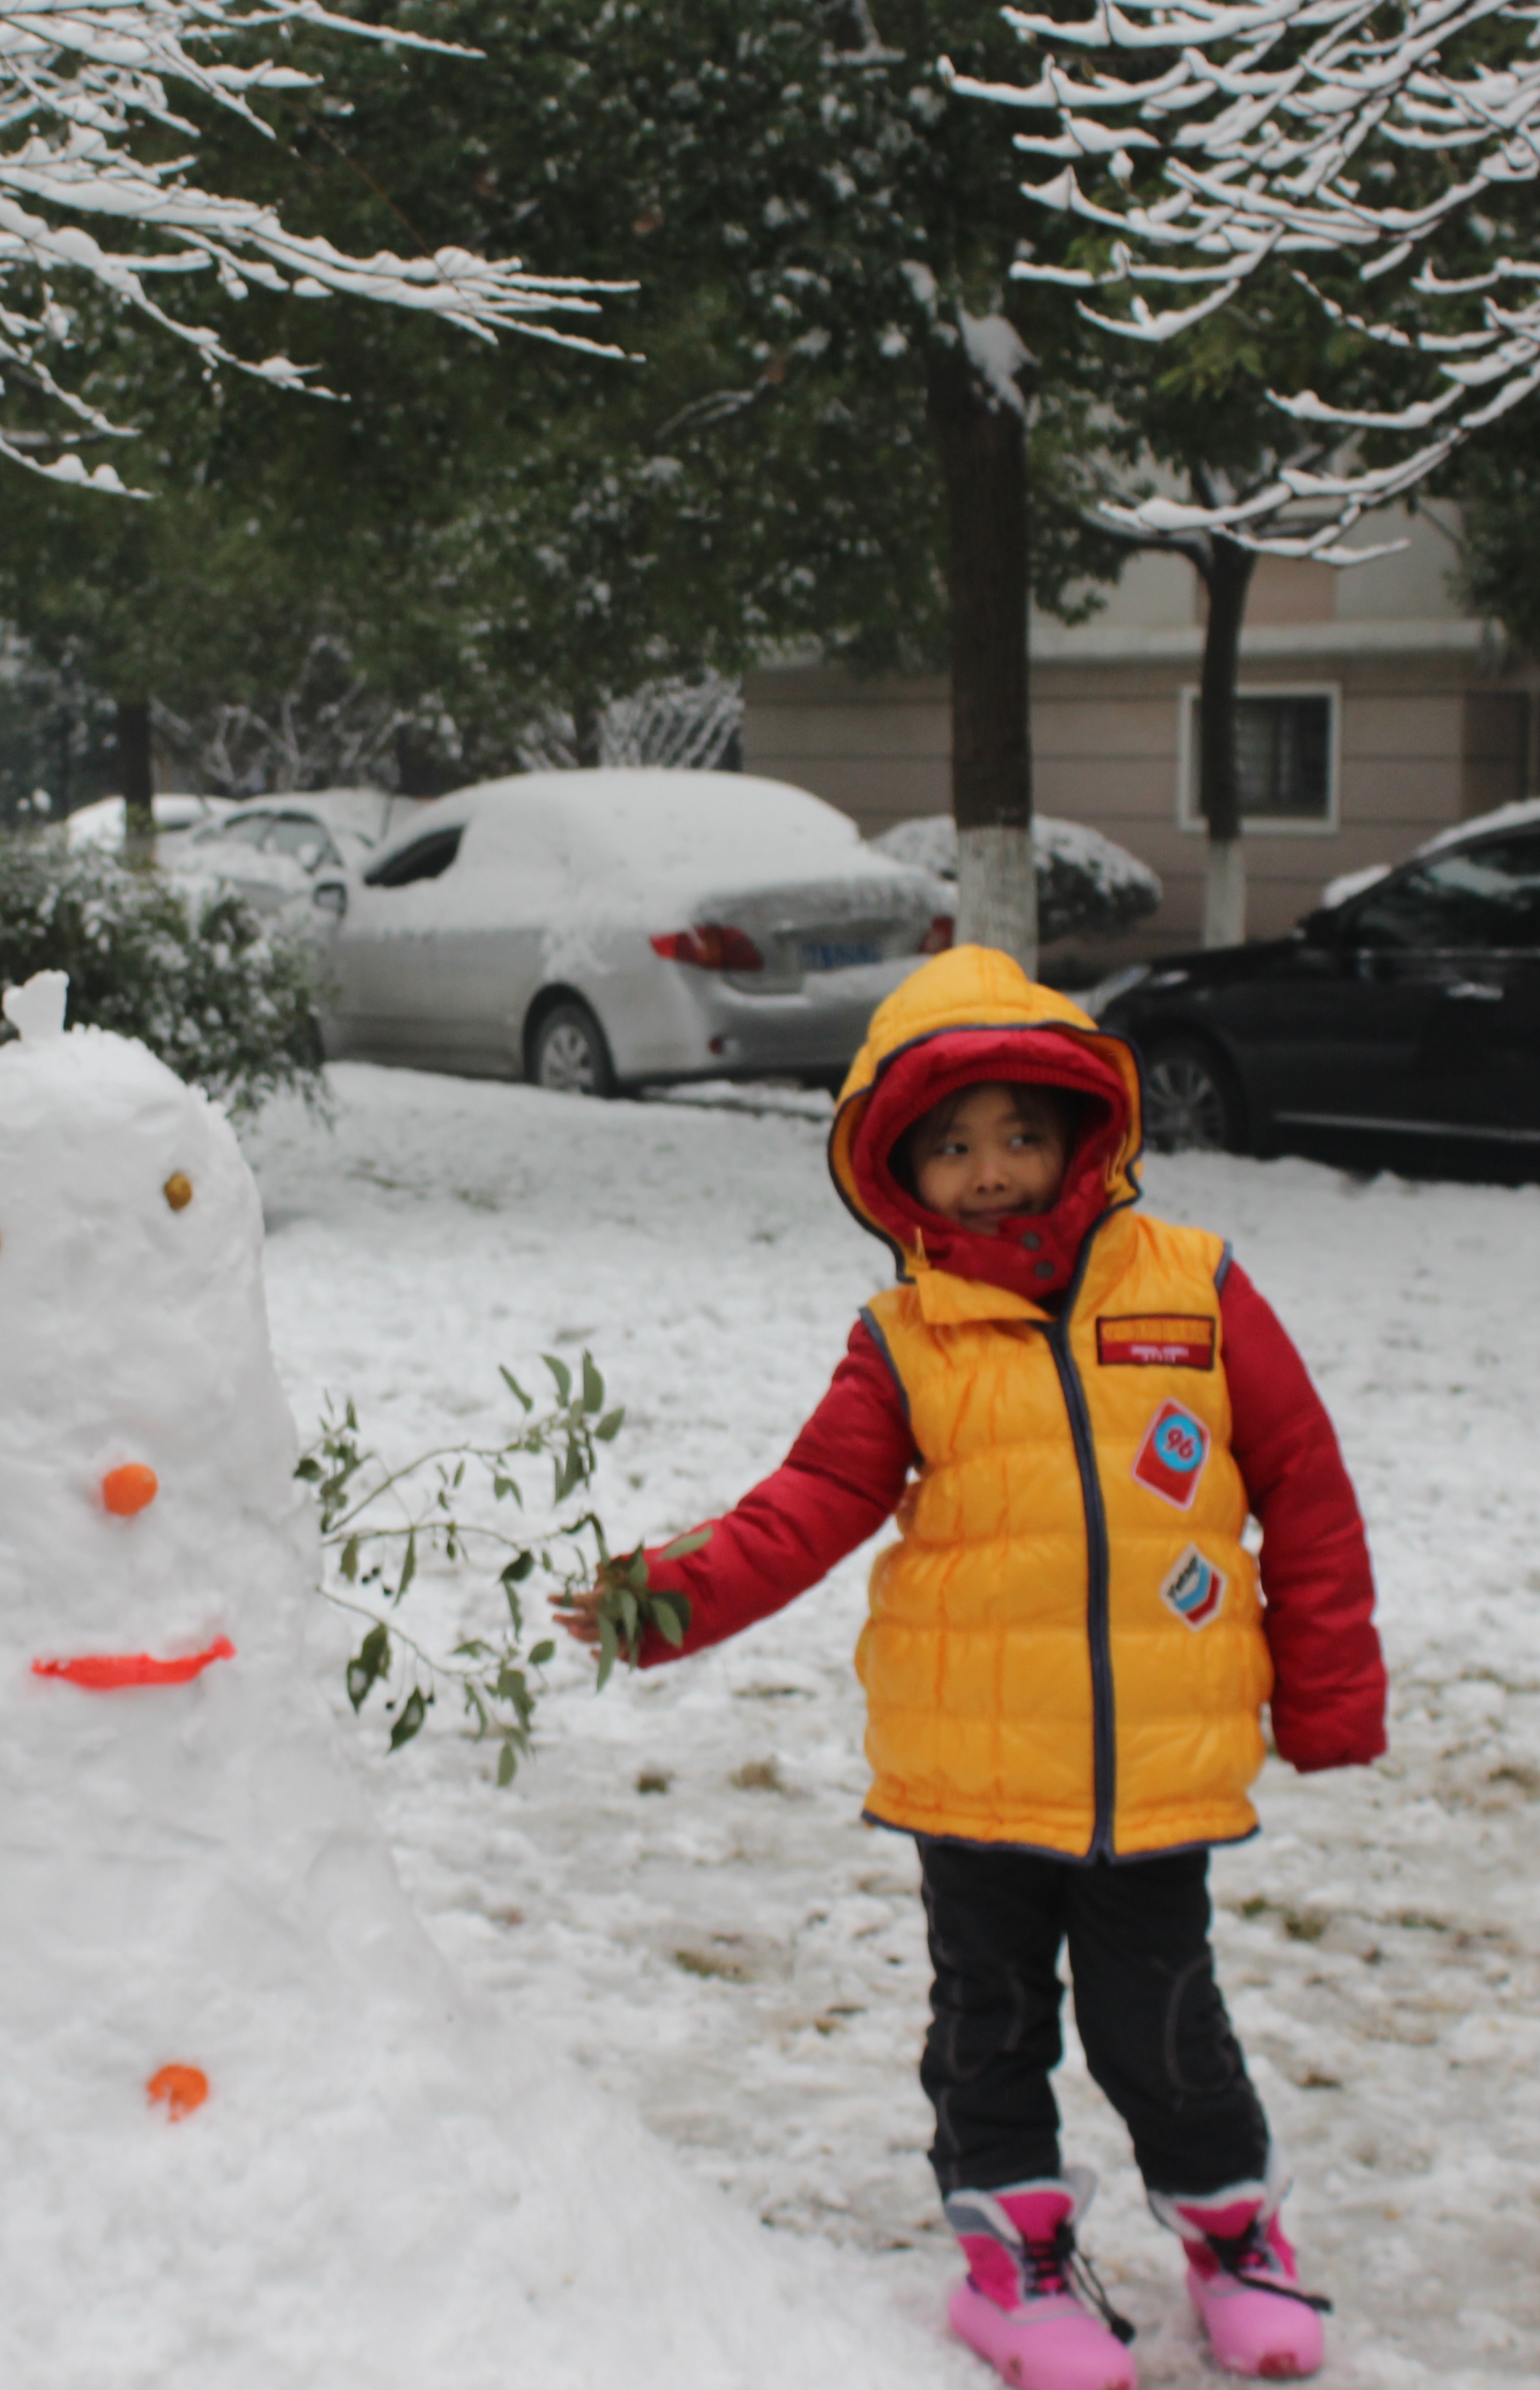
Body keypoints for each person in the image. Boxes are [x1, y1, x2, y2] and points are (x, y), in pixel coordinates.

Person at [552, 946, 1385, 2390]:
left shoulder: (1195, 1289)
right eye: (951, 1146)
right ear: (900, 1171)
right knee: (990, 2025)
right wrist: (665, 1601)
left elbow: (1302, 1483)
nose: (989, 1170)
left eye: (1018, 1136)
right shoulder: (907, 1340)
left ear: (1079, 1136)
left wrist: (1326, 1687)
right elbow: (810, 1502)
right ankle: (1014, 2266)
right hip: (976, 1771)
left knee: (1166, 2025)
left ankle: (1234, 2238)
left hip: (1156, 1771)